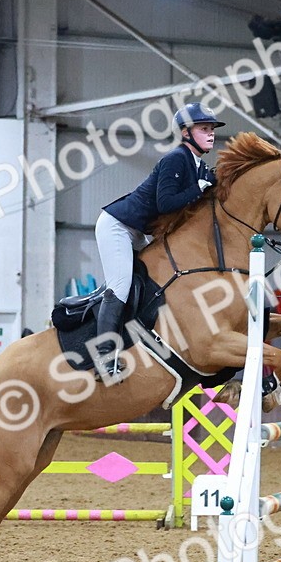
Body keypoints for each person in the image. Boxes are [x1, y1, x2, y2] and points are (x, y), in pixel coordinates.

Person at [93, 102, 226, 375]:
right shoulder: (175, 159)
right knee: (120, 286)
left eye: (212, 129)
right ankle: (103, 357)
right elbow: (165, 203)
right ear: (186, 133)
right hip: (117, 226)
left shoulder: (198, 164)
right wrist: (199, 188)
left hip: (138, 231)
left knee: (157, 282)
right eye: (204, 129)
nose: (211, 134)